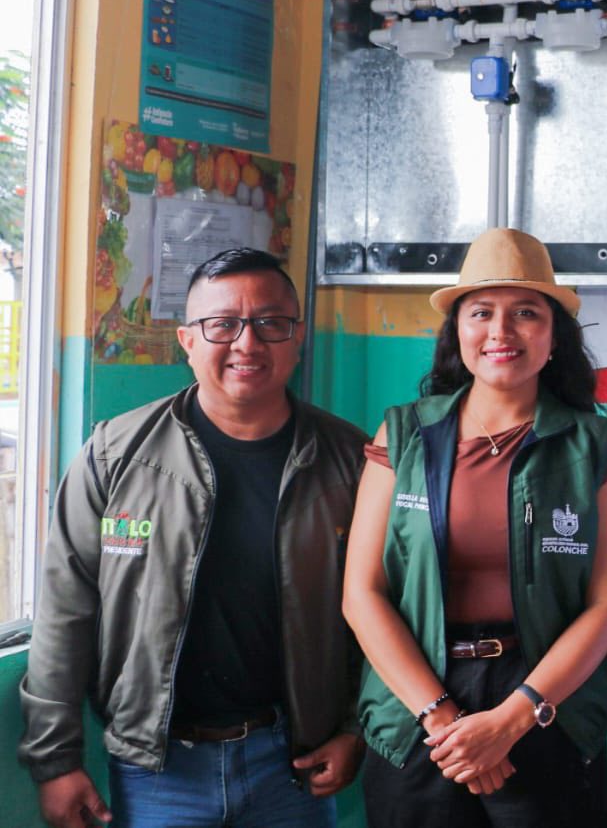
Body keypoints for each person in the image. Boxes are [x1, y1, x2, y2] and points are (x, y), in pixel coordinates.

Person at [19, 248, 367, 828]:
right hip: (158, 771)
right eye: (222, 324)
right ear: (186, 340)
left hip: (294, 764)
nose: (247, 343)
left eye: (270, 323)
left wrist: (356, 729)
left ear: (297, 336)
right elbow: (64, 611)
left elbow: (387, 610)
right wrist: (55, 762)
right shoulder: (114, 456)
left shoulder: (351, 462)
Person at [343, 226, 607, 826]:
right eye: (481, 313)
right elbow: (361, 594)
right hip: (418, 709)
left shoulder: (597, 447)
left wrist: (512, 719)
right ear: (458, 331)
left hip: (548, 704)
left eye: (526, 313)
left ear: (553, 336)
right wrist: (443, 719)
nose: (501, 331)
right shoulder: (404, 436)